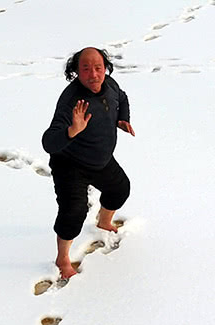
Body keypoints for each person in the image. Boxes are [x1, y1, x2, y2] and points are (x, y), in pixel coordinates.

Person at [41, 47, 135, 279]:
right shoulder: (71, 101)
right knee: (73, 212)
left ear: (105, 68)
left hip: (100, 159)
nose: (93, 74)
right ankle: (62, 258)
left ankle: (104, 223)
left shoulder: (110, 85)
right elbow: (49, 142)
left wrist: (123, 118)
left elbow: (122, 98)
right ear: (76, 71)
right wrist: (72, 130)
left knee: (120, 189)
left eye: (98, 68)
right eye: (85, 69)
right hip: (70, 164)